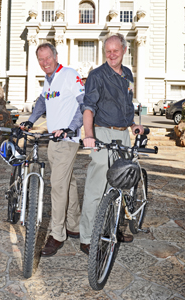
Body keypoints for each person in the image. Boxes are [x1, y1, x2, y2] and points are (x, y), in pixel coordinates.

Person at [79, 33, 144, 255]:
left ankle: (112, 229)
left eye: (116, 50)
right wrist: (89, 136)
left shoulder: (127, 74)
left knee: (120, 186)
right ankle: (87, 237)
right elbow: (88, 108)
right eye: (108, 51)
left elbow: (126, 104)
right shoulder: (97, 75)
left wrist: (133, 124)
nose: (112, 54)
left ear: (125, 50)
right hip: (102, 134)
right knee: (96, 189)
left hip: (123, 135)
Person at [20, 43, 85, 257]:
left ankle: (57, 234)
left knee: (57, 186)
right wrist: (30, 121)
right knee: (68, 182)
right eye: (41, 59)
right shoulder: (48, 82)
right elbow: (42, 102)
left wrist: (72, 128)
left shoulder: (69, 74)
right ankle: (74, 225)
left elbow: (83, 103)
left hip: (68, 139)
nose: (45, 62)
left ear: (56, 56)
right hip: (53, 141)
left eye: (48, 58)